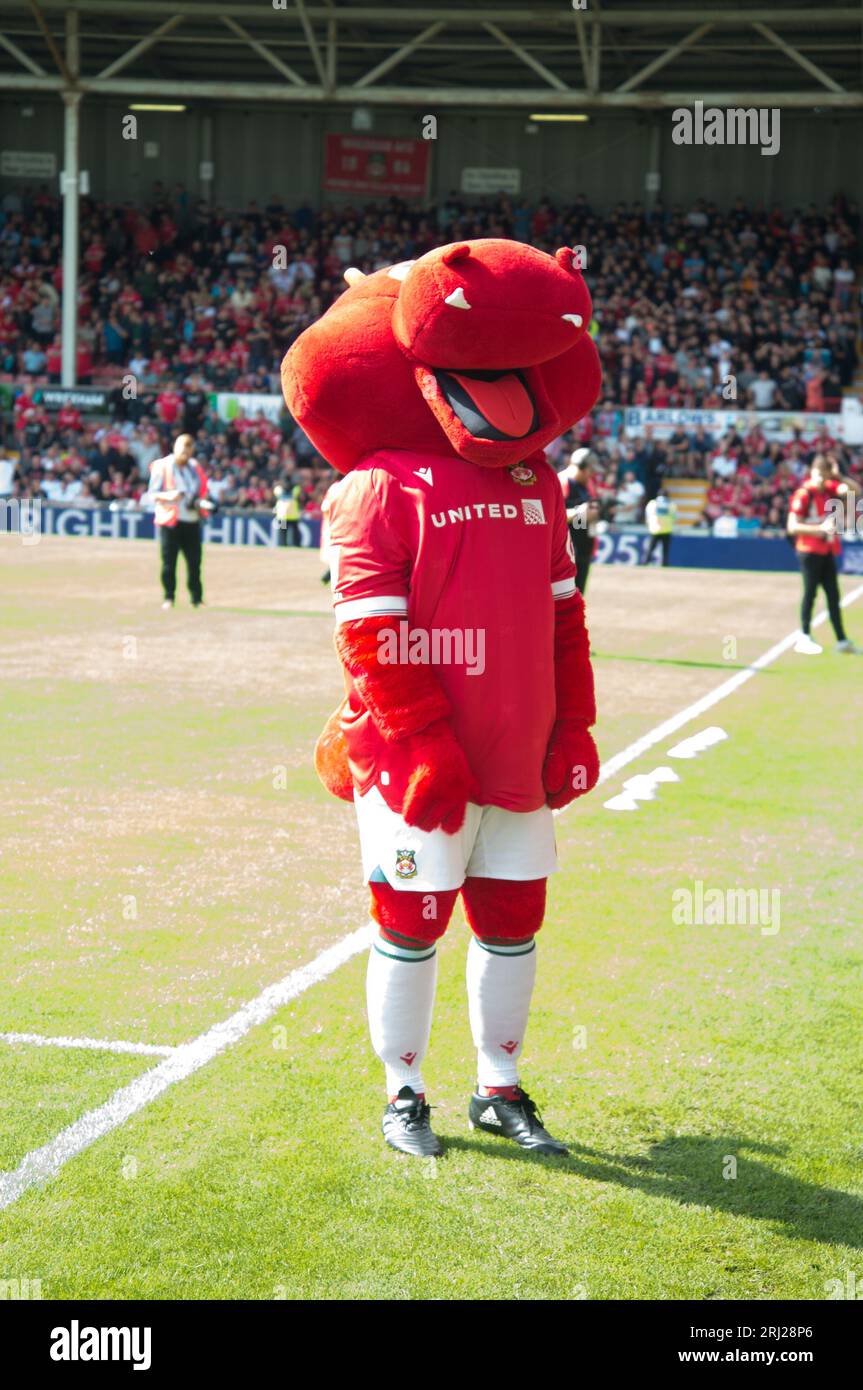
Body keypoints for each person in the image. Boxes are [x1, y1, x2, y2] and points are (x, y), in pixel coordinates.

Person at [788, 454, 861, 655]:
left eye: (824, 474)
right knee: (810, 593)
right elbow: (792, 526)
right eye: (818, 473)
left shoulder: (830, 489)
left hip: (827, 549)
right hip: (809, 550)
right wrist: (818, 528)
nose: (820, 478)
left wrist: (839, 477)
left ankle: (842, 640)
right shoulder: (804, 494)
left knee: (833, 596)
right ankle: (804, 636)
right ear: (811, 472)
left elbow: (856, 491)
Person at [146, 433, 211, 609]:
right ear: (176, 448)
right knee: (169, 563)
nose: (186, 455)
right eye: (183, 451)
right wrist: (170, 496)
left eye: (189, 452)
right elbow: (152, 495)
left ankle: (196, 598)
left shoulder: (195, 467)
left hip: (191, 520)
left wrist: (203, 502)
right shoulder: (163, 466)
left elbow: (204, 490)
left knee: (195, 563)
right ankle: (169, 597)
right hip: (171, 521)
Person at [559, 447, 599, 594]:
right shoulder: (561, 482)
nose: (592, 474)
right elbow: (550, 516)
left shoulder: (588, 485)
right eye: (590, 470)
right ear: (581, 466)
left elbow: (592, 511)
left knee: (579, 597)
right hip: (565, 555)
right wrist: (578, 513)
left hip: (583, 551)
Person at [643, 491, 676, 566]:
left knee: (651, 548)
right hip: (667, 530)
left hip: (655, 529)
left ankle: (645, 563)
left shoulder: (652, 503)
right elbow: (674, 517)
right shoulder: (671, 504)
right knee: (665, 550)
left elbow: (648, 515)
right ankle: (664, 564)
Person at [273, 481, 302, 546]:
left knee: (283, 532)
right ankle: (295, 545)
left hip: (283, 517)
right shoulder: (294, 492)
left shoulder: (279, 491)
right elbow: (297, 489)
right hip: (292, 517)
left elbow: (276, 489)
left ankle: (283, 545)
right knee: (293, 533)